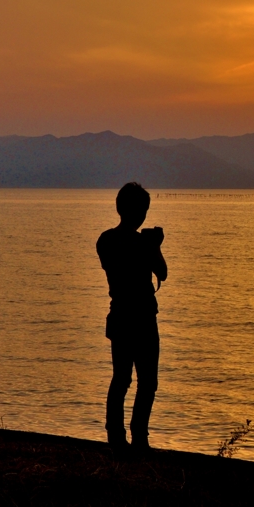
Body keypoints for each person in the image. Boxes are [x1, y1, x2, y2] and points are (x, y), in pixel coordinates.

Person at [96, 182, 168, 456]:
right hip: (143, 318)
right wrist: (155, 246)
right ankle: (139, 437)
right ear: (138, 211)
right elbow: (162, 272)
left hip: (119, 315)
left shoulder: (105, 240)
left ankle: (115, 435)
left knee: (121, 379)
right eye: (144, 209)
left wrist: (147, 244)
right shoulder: (142, 244)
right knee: (147, 381)